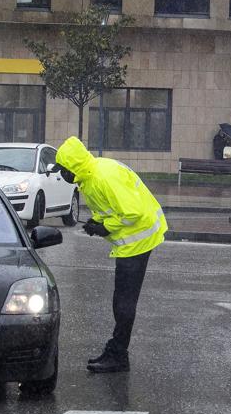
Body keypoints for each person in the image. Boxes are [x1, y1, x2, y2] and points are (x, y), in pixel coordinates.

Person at [53, 136, 168, 373]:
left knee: (124, 303)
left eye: (63, 170)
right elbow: (112, 208)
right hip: (134, 239)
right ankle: (117, 352)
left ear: (72, 166)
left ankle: (118, 355)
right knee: (122, 301)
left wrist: (105, 227)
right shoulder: (91, 175)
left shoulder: (101, 178)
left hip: (139, 239)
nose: (61, 175)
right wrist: (97, 222)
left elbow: (131, 213)